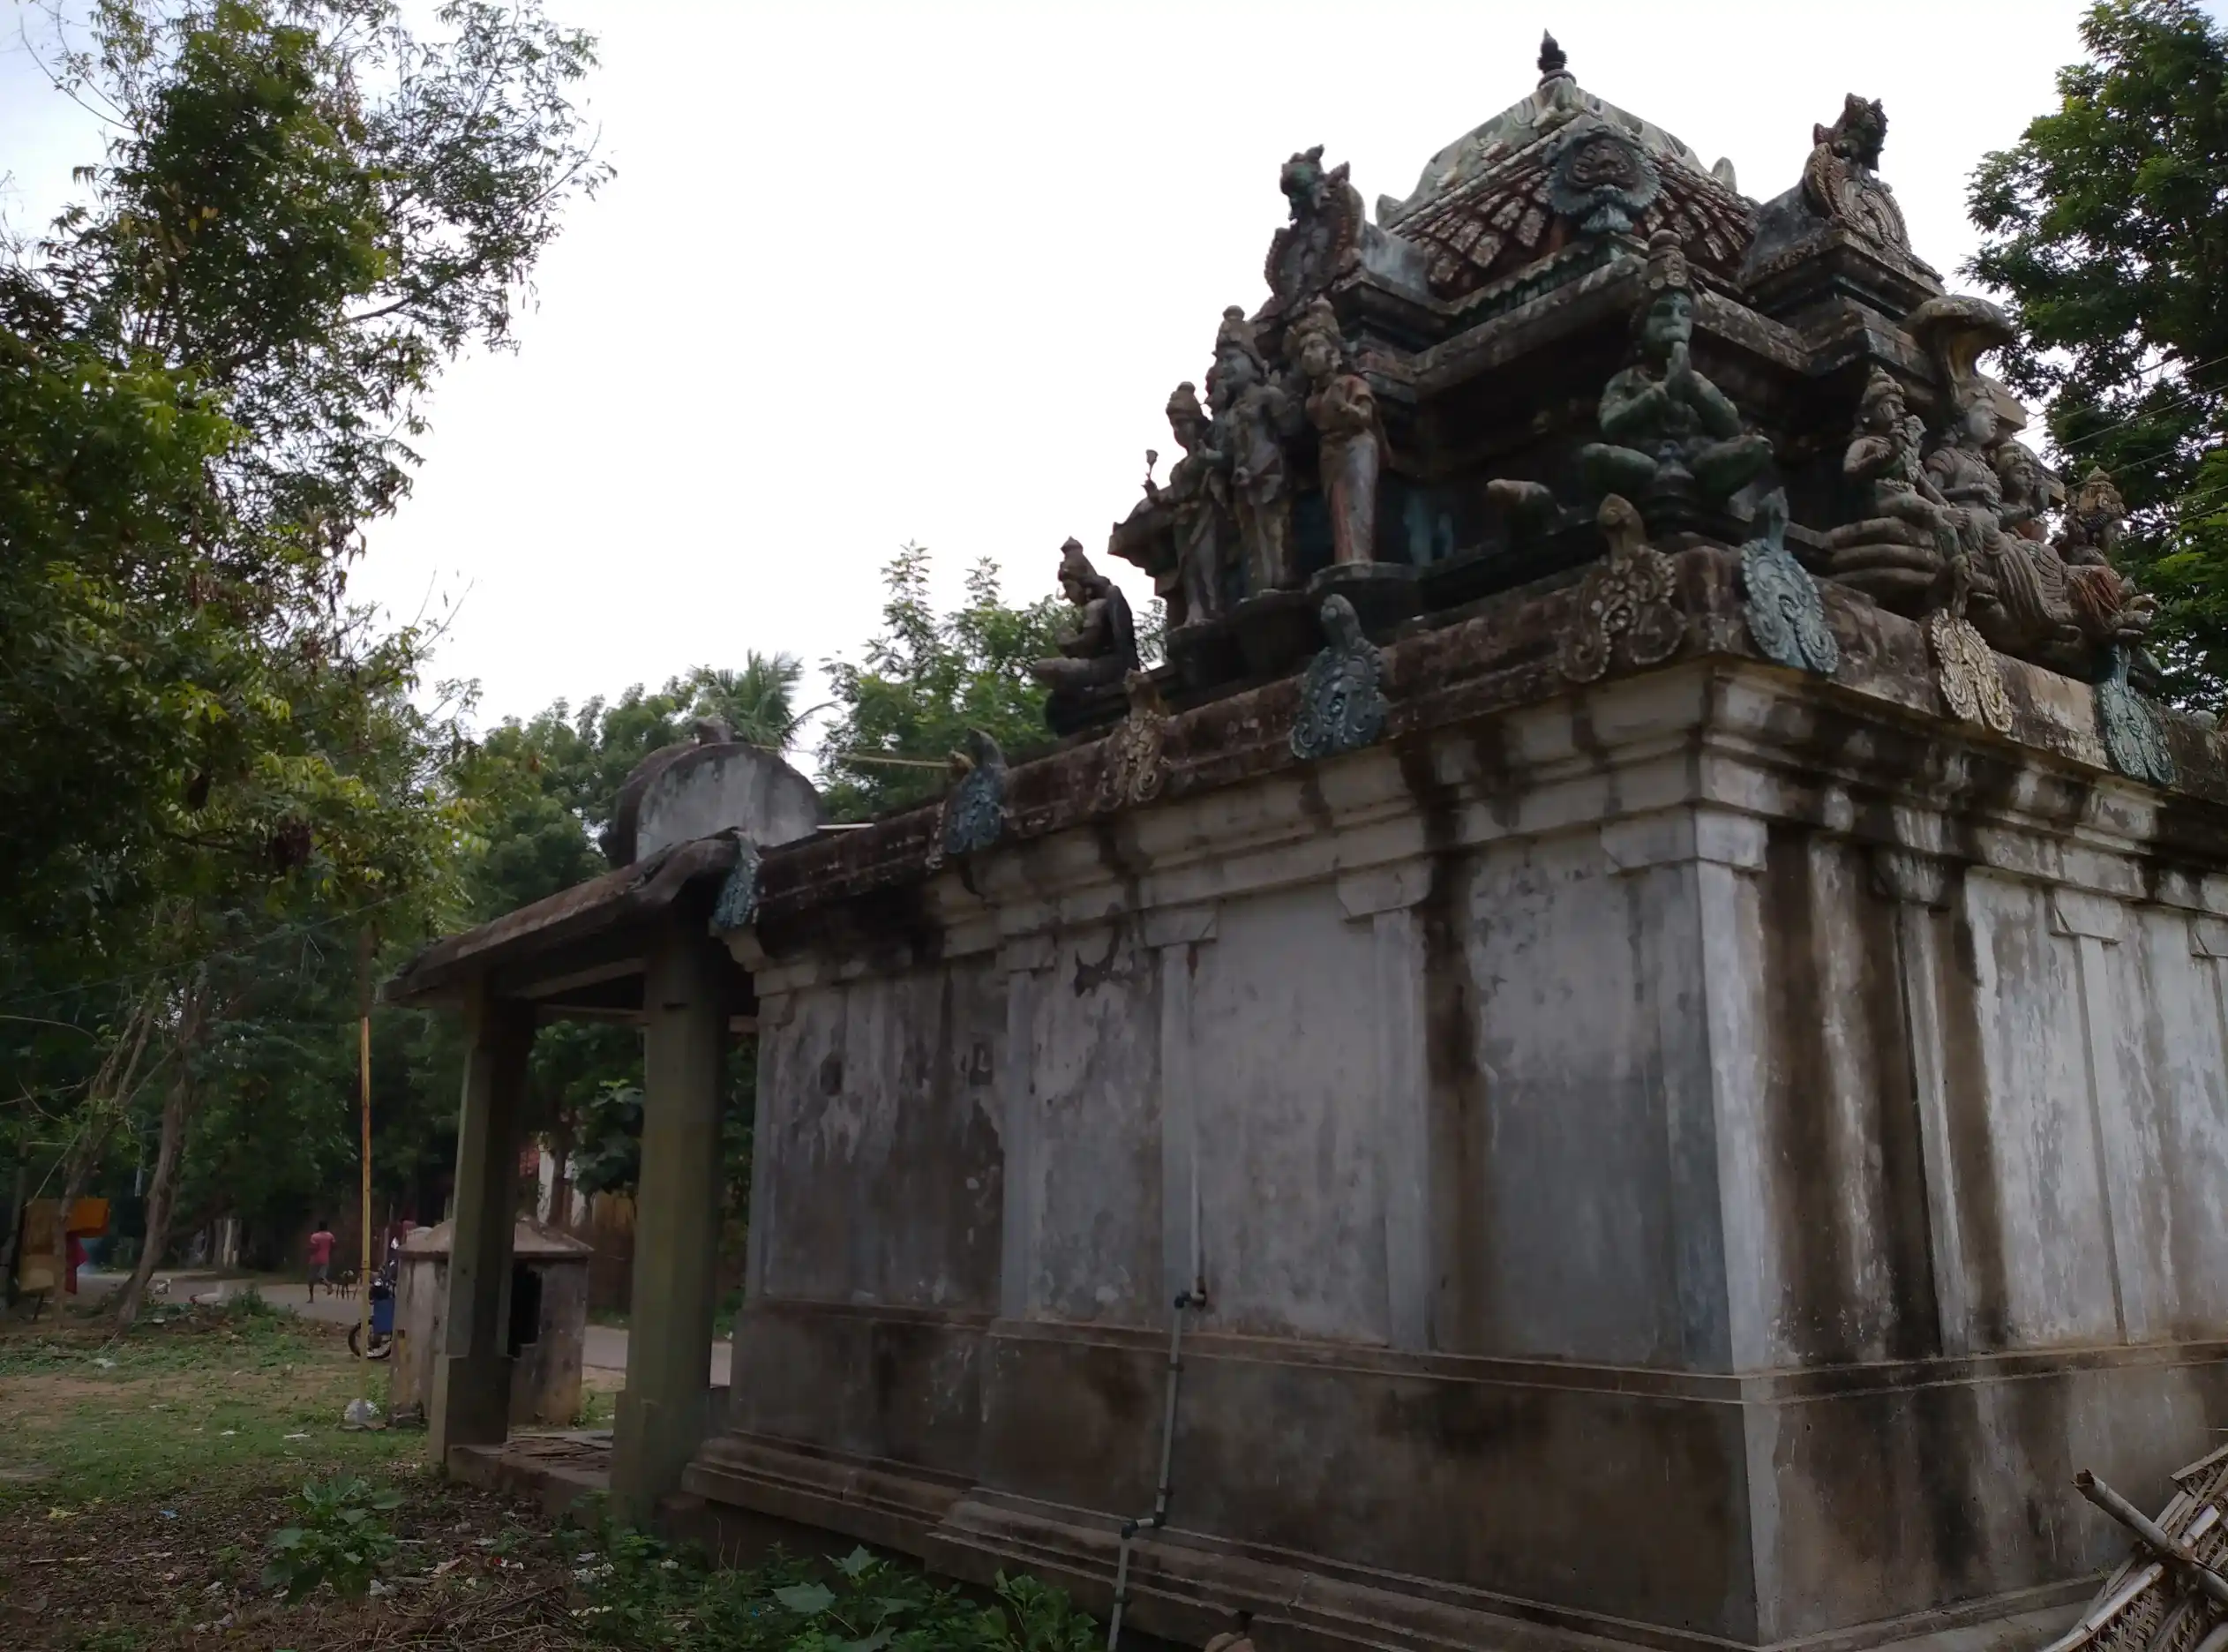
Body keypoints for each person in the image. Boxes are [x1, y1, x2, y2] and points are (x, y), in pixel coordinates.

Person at [306, 1220, 337, 1299]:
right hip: (325, 1258)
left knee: (311, 1279)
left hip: (314, 1259)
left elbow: (313, 1247)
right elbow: (334, 1245)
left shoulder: (314, 1236)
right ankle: (328, 1284)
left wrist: (308, 1251)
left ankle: (311, 1297)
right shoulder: (330, 1236)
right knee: (321, 1277)